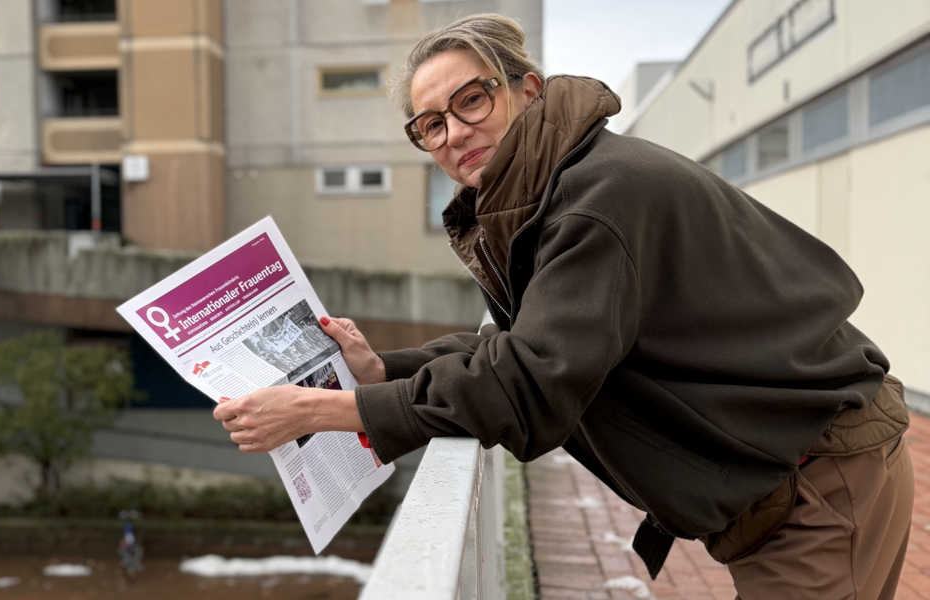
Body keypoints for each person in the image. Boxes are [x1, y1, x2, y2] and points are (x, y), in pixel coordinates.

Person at [212, 13, 912, 600]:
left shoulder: (597, 199)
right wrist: (380, 369)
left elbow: (529, 387)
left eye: (472, 101)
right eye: (429, 124)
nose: (453, 133)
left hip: (816, 484)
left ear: (528, 90)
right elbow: (520, 343)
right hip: (791, 479)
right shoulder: (556, 192)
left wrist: (322, 410)